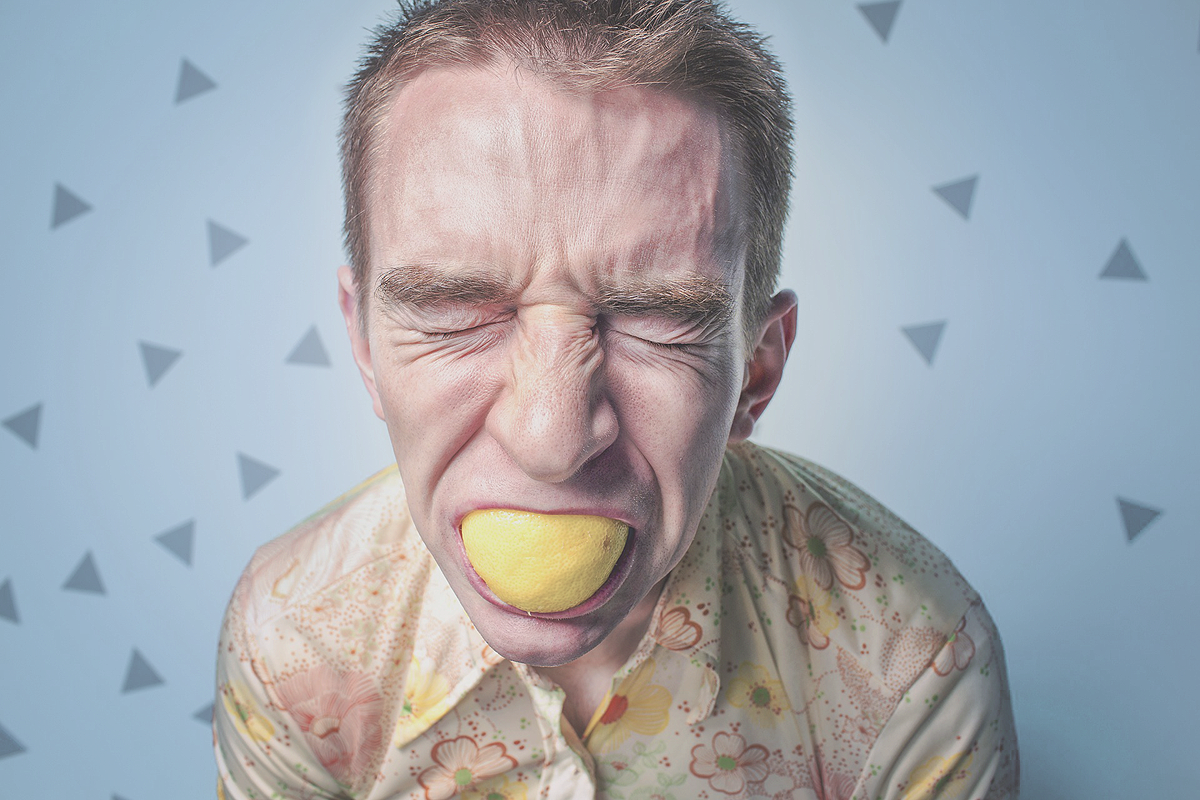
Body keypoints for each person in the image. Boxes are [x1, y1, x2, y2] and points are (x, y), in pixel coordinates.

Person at [212, 0, 1019, 798]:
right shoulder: (292, 640)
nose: (551, 439)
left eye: (657, 320)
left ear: (757, 373)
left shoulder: (916, 667)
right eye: (456, 313)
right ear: (364, 345)